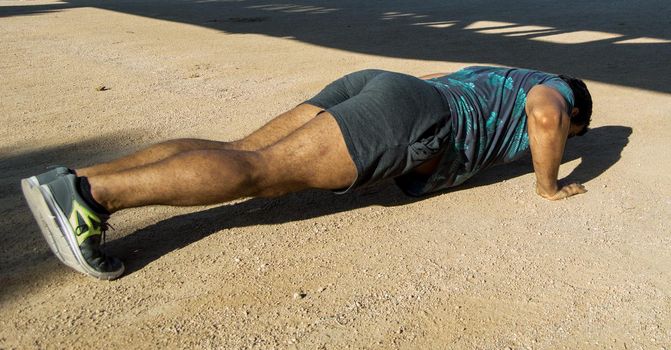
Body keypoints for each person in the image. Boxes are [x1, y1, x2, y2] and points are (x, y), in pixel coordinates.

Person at [22, 66, 593, 280]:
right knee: (259, 170)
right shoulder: (554, 90)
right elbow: (546, 115)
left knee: (239, 149)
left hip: (384, 87)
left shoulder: (505, 73)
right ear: (578, 114)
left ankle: (72, 177)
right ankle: (89, 197)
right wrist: (548, 185)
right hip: (412, 116)